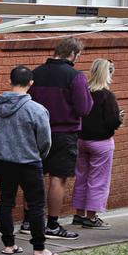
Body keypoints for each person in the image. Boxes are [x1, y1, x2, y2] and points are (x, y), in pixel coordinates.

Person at [24, 37, 93, 240]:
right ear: (73, 54)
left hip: (36, 132)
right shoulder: (75, 76)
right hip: (64, 133)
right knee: (57, 178)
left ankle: (29, 221)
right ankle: (52, 224)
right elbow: (84, 108)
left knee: (35, 176)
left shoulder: (35, 73)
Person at [0, 65, 57, 255]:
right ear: (31, 83)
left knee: (6, 202)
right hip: (29, 161)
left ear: (10, 81)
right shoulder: (36, 110)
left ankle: (9, 244)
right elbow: (45, 140)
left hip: (3, 160)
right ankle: (39, 247)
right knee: (36, 205)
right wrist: (38, 155)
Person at [71, 59, 122, 229]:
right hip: (101, 142)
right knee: (98, 180)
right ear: (109, 73)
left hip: (80, 140)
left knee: (81, 177)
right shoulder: (107, 95)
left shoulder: (83, 92)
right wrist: (120, 119)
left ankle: (78, 214)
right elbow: (113, 121)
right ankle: (91, 217)